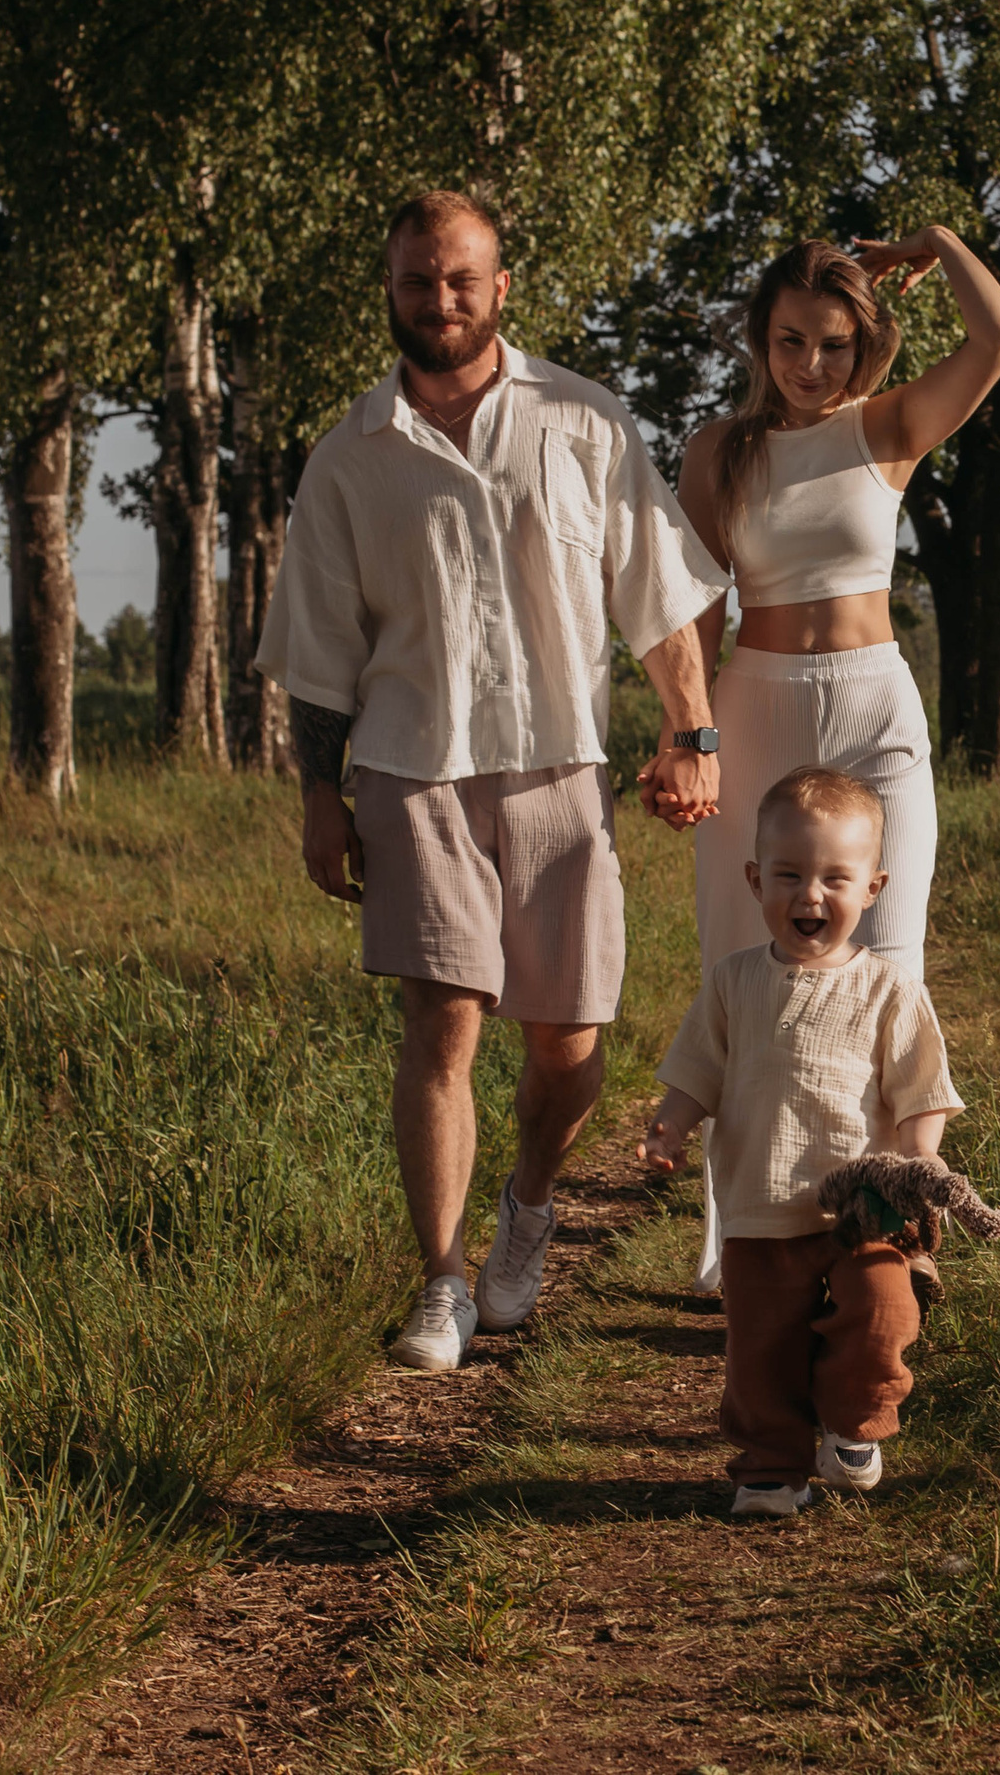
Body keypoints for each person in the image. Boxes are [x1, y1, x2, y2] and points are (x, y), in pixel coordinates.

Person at [257, 189, 729, 1374]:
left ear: (501, 285)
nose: (440, 298)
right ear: (390, 290)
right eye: (418, 280)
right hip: (410, 767)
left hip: (560, 766)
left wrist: (693, 733)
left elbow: (660, 597)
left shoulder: (582, 420)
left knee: (568, 1042)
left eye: (461, 277)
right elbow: (317, 649)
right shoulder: (349, 458)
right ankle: (442, 1277)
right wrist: (320, 794)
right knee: (442, 1023)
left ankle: (528, 1204)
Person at [674, 230, 1000, 1290]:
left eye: (831, 343)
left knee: (889, 965)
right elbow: (690, 608)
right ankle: (742, 1232)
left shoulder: (888, 425)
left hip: (875, 709)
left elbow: (997, 334)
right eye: (789, 340)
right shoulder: (717, 448)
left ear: (860, 345)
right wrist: (686, 737)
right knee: (745, 963)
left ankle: (887, 1231)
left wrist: (935, 242)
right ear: (759, 337)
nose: (809, 364)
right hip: (756, 705)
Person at [640, 765, 963, 1516]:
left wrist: (923, 1158)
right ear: (755, 880)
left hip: (867, 1208)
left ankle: (852, 1423)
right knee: (762, 1348)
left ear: (873, 889)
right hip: (760, 1203)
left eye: (834, 878)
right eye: (788, 874)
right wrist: (671, 1124)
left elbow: (921, 1089)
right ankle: (771, 1464)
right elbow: (697, 1068)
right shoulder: (733, 981)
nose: (810, 895)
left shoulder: (891, 990)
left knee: (884, 1313)